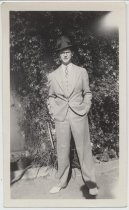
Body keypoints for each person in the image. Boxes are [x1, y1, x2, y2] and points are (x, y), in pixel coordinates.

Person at [47, 36, 98, 196]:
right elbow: (50, 96)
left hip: (78, 114)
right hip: (61, 116)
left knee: (83, 149)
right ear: (58, 55)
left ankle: (90, 182)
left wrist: (86, 107)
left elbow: (87, 92)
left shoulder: (82, 72)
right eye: (62, 53)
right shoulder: (52, 75)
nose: (65, 55)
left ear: (72, 53)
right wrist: (53, 110)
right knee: (62, 150)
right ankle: (61, 182)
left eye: (67, 52)